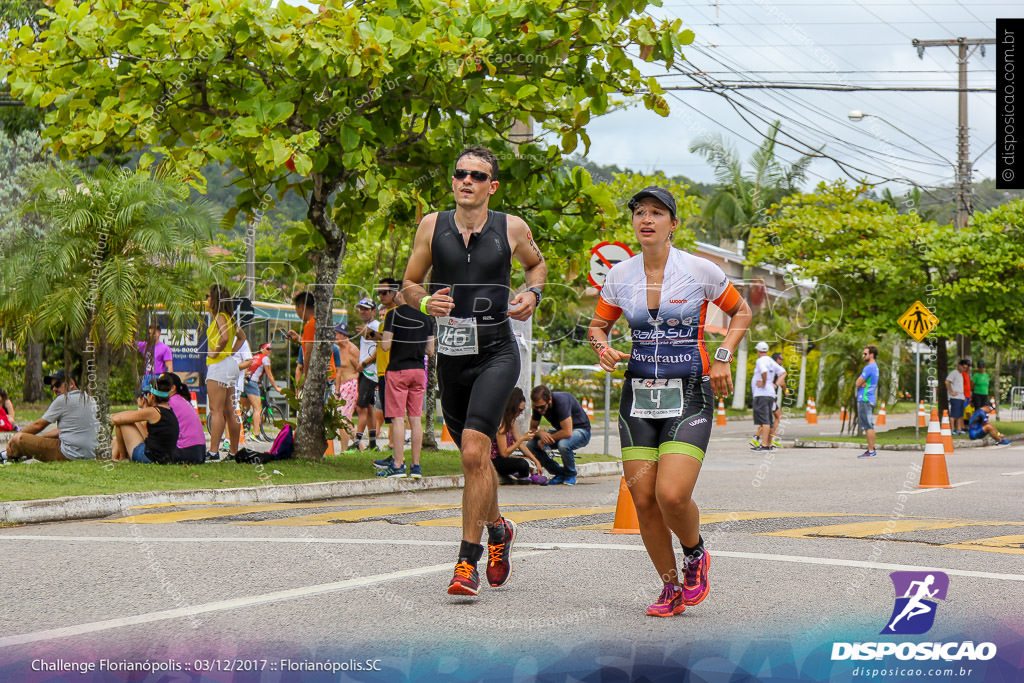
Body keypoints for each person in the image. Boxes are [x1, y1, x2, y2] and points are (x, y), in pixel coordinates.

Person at [588, 185, 751, 617]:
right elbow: (597, 328)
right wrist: (601, 346)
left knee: (672, 496)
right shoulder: (619, 276)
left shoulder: (700, 271)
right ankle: (670, 586)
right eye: (640, 212)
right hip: (637, 398)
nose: (646, 219)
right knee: (643, 500)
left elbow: (743, 312)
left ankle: (695, 553)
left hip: (690, 394)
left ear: (673, 224)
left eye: (657, 213)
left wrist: (722, 356)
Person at [402, 146, 546, 596]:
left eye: (477, 176)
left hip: (497, 352)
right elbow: (409, 283)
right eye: (460, 173)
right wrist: (424, 302)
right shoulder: (431, 225)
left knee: (471, 453)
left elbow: (536, 266)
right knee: (478, 459)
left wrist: (533, 294)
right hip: (451, 357)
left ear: (492, 186)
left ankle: (467, 564)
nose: (467, 180)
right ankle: (499, 529)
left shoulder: (512, 228)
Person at [375, 301, 434, 478]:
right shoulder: (427, 317)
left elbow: (385, 345)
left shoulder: (394, 314)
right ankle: (416, 466)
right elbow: (430, 350)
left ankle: (398, 465)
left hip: (398, 370)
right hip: (418, 371)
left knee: (398, 419)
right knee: (415, 420)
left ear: (402, 294)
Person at [6, 369, 99, 462]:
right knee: (33, 440)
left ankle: (9, 456)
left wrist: (15, 437)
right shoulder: (90, 399)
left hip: (69, 454)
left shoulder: (63, 399)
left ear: (71, 383)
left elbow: (39, 425)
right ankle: (17, 455)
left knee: (20, 439)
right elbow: (61, 431)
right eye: (52, 386)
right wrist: (37, 439)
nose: (54, 389)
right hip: (91, 454)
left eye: (57, 385)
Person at [205, 284, 246, 462]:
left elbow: (225, 338)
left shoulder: (220, 317)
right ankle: (233, 453)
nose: (206, 299)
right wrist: (231, 352)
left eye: (208, 296)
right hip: (230, 365)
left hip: (219, 365)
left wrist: (216, 352)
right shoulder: (230, 318)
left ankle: (213, 452)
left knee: (216, 411)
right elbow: (242, 337)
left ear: (215, 299)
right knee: (231, 411)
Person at [524, 385, 591, 485]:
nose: (540, 411)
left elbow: (567, 432)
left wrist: (545, 439)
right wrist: (541, 434)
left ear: (549, 400)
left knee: (564, 444)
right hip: (562, 431)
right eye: (536, 407)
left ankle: (570, 474)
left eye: (542, 407)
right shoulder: (538, 407)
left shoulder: (561, 401)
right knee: (531, 445)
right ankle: (559, 473)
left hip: (582, 431)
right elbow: (532, 429)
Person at [111, 375, 180, 463]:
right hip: (165, 457)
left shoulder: (153, 411)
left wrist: (112, 418)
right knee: (131, 422)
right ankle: (122, 458)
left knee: (123, 422)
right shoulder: (169, 410)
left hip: (150, 457)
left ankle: (123, 458)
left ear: (152, 396)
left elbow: (120, 419)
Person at [370, 278, 402, 468]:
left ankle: (398, 460)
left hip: (391, 370)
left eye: (384, 292)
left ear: (394, 293)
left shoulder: (395, 314)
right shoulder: (388, 315)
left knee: (395, 415)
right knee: (391, 415)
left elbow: (391, 341)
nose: (381, 296)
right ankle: (397, 457)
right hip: (383, 370)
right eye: (379, 293)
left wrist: (375, 336)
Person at [288, 290, 341, 403]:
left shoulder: (310, 325)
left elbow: (308, 353)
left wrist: (307, 378)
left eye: (296, 308)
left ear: (301, 307)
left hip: (318, 376)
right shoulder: (320, 322)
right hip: (328, 373)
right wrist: (299, 339)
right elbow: (317, 346)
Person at [492, 388, 547, 485]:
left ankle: (523, 474)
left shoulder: (512, 421)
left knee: (528, 461)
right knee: (522, 464)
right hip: (495, 461)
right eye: (520, 410)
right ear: (513, 407)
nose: (521, 413)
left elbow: (521, 445)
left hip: (505, 459)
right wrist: (522, 439)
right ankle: (525, 475)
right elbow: (504, 453)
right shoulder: (502, 423)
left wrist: (536, 461)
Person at [348, 298, 380, 452]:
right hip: (365, 371)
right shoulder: (367, 327)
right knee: (369, 407)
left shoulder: (376, 327)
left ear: (374, 311)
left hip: (370, 372)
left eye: (366, 309)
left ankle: (356, 443)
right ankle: (373, 444)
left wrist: (365, 363)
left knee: (361, 408)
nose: (362, 311)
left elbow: (379, 349)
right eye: (361, 308)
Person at [162, 372, 207, 463]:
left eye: (161, 385)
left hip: (185, 451)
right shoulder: (181, 400)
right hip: (200, 452)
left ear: (173, 388)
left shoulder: (169, 402)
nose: (157, 388)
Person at [243, 343, 282, 441]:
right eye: (268, 348)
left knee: (247, 408)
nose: (270, 350)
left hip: (246, 382)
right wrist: (276, 387)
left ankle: (243, 424)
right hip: (252, 383)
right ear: (262, 349)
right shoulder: (265, 359)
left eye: (271, 349)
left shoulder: (255, 357)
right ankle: (255, 434)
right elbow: (269, 375)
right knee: (257, 408)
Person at [751, 342, 784, 452]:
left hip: (762, 394)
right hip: (770, 394)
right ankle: (768, 444)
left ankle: (764, 445)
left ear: (758, 351)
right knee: (769, 421)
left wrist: (764, 383)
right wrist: (775, 385)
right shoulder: (770, 360)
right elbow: (783, 373)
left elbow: (764, 371)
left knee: (764, 421)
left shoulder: (760, 361)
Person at [334, 323, 361, 451]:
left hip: (352, 385)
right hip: (341, 387)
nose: (334, 336)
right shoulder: (337, 349)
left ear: (343, 335)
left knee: (343, 419)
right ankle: (360, 447)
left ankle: (344, 449)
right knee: (344, 419)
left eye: (336, 334)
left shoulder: (352, 349)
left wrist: (360, 390)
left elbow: (361, 369)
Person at [855, 345, 880, 459]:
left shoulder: (869, 368)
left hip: (865, 399)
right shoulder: (875, 367)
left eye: (865, 354)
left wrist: (861, 383)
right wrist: (862, 383)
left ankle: (871, 450)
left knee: (868, 425)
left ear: (871, 355)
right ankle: (871, 449)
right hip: (869, 399)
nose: (863, 356)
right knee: (868, 425)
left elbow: (857, 383)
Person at [137, 322, 173, 391]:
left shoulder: (165, 348)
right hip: (147, 377)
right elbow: (131, 343)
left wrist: (166, 381)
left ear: (159, 334)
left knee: (156, 399)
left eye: (154, 333)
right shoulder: (144, 345)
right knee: (144, 398)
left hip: (158, 377)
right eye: (150, 333)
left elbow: (170, 367)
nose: (152, 335)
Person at [767, 352, 787, 448]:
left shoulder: (770, 367)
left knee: (774, 416)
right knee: (772, 417)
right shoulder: (776, 368)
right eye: (781, 358)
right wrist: (786, 391)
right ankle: (758, 437)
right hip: (771, 395)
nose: (782, 360)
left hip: (769, 395)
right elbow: (782, 383)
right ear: (777, 359)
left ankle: (772, 438)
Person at [945, 359, 968, 434]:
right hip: (955, 397)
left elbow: (960, 386)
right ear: (959, 366)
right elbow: (947, 381)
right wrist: (951, 392)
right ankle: (952, 429)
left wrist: (963, 396)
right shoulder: (954, 373)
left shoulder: (961, 374)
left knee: (960, 414)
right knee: (954, 414)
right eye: (963, 367)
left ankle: (959, 429)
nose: (964, 369)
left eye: (965, 368)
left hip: (961, 397)